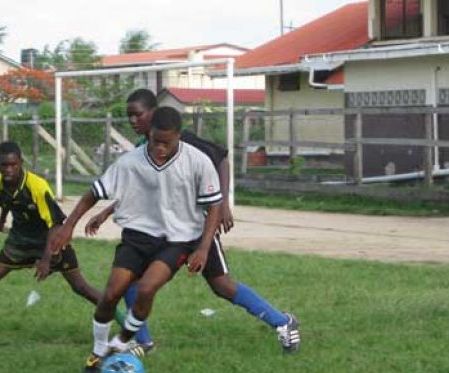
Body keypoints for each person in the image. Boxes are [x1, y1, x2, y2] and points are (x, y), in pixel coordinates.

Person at [87, 89, 300, 355]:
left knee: (221, 284)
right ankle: (141, 340)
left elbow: (221, 158)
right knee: (134, 281)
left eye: (137, 114)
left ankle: (283, 322)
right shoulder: (146, 149)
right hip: (161, 231)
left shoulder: (182, 141)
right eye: (128, 115)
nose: (132, 120)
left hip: (195, 228)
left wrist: (222, 203)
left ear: (154, 114)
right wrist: (106, 212)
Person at [49, 107, 224, 373]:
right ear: (150, 134)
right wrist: (68, 226)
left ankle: (122, 341)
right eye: (155, 140)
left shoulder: (198, 162)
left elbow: (214, 206)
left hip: (178, 241)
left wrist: (203, 247)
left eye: (167, 141)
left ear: (179, 136)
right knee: (111, 294)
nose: (160, 147)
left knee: (145, 289)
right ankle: (97, 352)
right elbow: (92, 194)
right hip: (137, 237)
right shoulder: (130, 162)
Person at [0, 141, 125, 336]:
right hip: (20, 239)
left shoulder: (37, 187)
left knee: (80, 287)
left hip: (50, 240)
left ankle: (125, 323)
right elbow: (6, 201)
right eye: (4, 165)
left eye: (13, 165)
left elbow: (55, 224)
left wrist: (46, 259)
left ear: (21, 163)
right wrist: (1, 221)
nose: (9, 169)